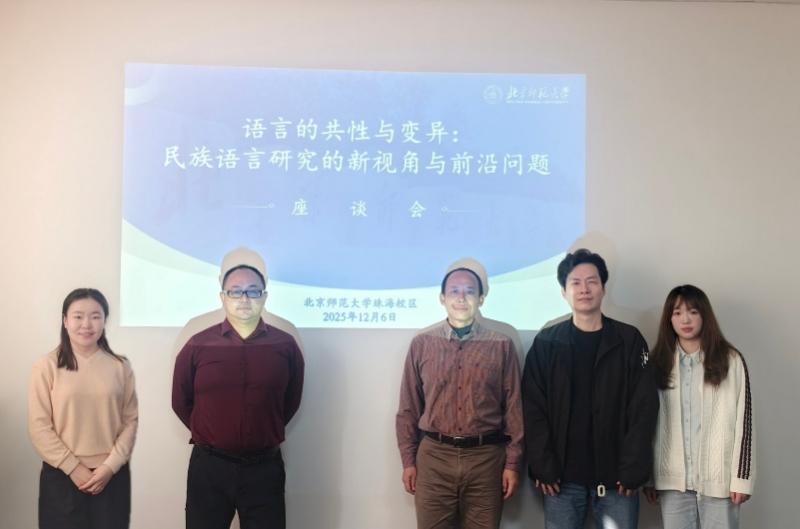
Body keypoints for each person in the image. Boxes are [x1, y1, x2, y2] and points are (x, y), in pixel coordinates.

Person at [522, 248, 658, 529]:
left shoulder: (629, 340)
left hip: (617, 481)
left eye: (592, 281)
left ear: (604, 288)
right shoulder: (547, 342)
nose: (584, 289)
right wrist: (543, 467)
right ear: (564, 292)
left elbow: (644, 408)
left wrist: (633, 469)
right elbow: (533, 408)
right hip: (561, 481)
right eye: (575, 282)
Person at [172, 247, 304, 529]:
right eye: (235, 291)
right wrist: (213, 433)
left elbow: (290, 402)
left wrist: (261, 430)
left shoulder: (285, 345)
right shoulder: (198, 344)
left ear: (264, 296)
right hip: (210, 467)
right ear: (223, 297)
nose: (244, 299)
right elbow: (180, 401)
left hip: (264, 468)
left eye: (253, 291)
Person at [396, 260, 523, 529]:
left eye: (469, 291)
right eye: (454, 291)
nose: (462, 298)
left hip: (486, 460)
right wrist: (408, 460)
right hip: (434, 459)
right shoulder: (422, 344)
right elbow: (408, 408)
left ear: (481, 298)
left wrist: (512, 464)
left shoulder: (502, 345)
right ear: (442, 298)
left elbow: (514, 409)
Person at [643, 285, 755, 529]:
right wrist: (650, 477)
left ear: (705, 315)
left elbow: (744, 423)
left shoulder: (731, 360)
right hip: (672, 485)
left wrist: (741, 479)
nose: (685, 319)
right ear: (669, 318)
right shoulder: (658, 363)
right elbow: (648, 424)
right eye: (677, 312)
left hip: (720, 483)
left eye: (693, 312)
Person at [28, 288, 138, 529]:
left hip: (111, 477)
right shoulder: (46, 366)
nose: (86, 324)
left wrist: (109, 466)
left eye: (95, 316)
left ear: (105, 321)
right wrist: (73, 467)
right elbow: (39, 427)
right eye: (78, 316)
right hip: (62, 477)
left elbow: (130, 421)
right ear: (65, 321)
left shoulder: (120, 366)